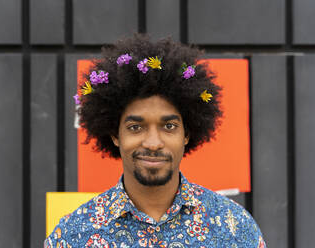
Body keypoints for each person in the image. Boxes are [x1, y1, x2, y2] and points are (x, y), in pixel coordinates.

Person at [45, 34, 266, 248]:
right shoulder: (73, 236)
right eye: (136, 127)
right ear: (115, 134)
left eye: (169, 126)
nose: (152, 143)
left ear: (186, 134)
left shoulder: (234, 228)